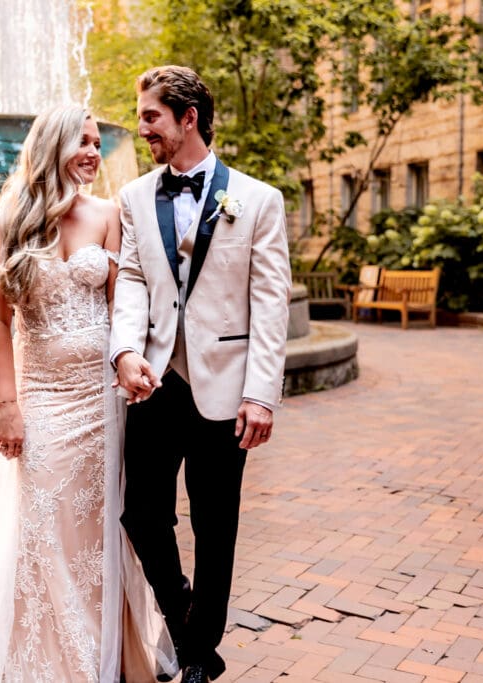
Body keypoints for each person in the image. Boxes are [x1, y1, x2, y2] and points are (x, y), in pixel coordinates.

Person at [0, 106, 178, 683]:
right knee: (44, 529)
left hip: (102, 402)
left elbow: (126, 304)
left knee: (99, 532)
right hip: (42, 402)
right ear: (53, 145)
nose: (95, 153)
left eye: (99, 143)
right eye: (84, 142)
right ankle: (49, 660)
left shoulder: (108, 214)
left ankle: (108, 655)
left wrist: (130, 360)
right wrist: (8, 406)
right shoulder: (4, 225)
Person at [110, 67, 292, 682]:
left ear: (188, 117)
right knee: (139, 512)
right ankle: (187, 618)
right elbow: (132, 279)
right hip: (156, 382)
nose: (142, 129)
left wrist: (261, 394)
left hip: (226, 389)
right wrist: (124, 352)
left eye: (151, 117)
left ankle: (194, 655)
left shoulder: (259, 200)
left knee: (216, 526)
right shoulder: (134, 197)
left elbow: (271, 303)